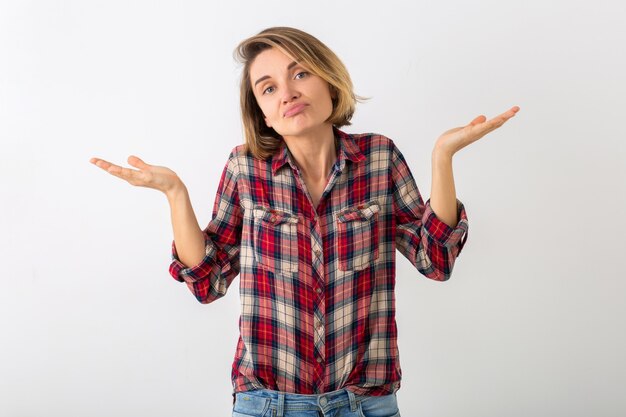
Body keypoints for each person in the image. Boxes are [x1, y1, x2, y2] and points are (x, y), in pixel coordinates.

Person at [90, 26, 519, 417]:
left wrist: (442, 157)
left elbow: (435, 260)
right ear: (262, 112)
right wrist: (175, 194)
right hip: (267, 405)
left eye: (300, 75)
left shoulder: (380, 157)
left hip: (365, 405)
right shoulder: (244, 168)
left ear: (329, 81)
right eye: (269, 87)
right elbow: (208, 279)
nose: (287, 93)